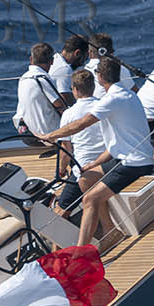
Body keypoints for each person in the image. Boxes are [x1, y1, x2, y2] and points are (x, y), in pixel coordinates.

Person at [41, 60, 154, 248]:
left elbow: (82, 123)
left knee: (90, 198)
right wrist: (93, 164)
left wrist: (50, 136)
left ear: (100, 78)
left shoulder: (112, 100)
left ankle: (81, 252)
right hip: (128, 158)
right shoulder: (129, 95)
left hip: (132, 164)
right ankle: (110, 231)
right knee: (85, 178)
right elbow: (114, 146)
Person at [52, 69, 106, 221]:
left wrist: (61, 171)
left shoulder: (69, 114)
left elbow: (66, 149)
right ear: (93, 87)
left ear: (75, 90)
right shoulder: (104, 106)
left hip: (83, 169)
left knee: (60, 211)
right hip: (108, 163)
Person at [14, 42, 66, 140]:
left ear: (31, 59)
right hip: (46, 135)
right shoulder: (43, 78)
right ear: (52, 61)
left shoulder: (23, 78)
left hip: (26, 134)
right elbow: (59, 105)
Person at [50, 34, 91, 103]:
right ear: (77, 53)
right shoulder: (64, 69)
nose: (83, 63)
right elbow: (66, 100)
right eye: (85, 58)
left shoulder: (55, 59)